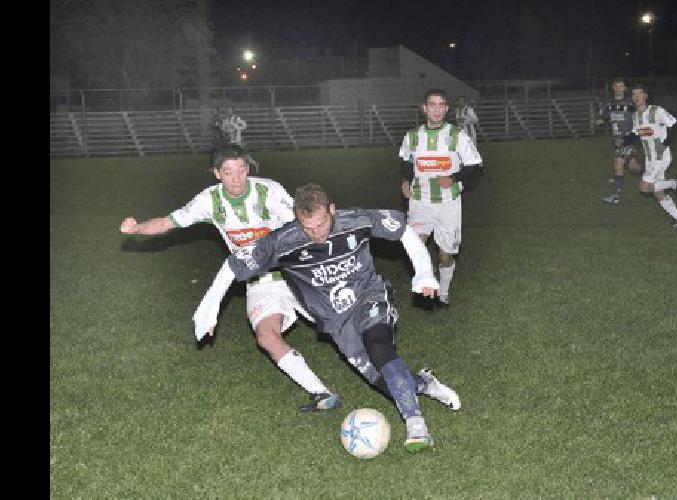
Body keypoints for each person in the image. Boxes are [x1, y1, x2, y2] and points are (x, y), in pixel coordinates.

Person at [197, 182, 463, 452]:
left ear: (332, 211)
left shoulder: (355, 220)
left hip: (368, 296)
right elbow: (233, 265)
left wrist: (424, 274)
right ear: (297, 219)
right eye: (307, 227)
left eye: (322, 223)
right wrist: (208, 309)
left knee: (379, 346)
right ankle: (425, 383)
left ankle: (416, 427)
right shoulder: (283, 241)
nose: (316, 233)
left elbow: (402, 230)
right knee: (381, 381)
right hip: (336, 322)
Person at [118, 144, 339, 412]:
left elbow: (303, 222)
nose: (236, 178)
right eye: (228, 172)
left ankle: (382, 365)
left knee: (338, 322)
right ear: (216, 173)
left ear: (248, 168)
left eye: (241, 170)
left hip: (293, 272)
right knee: (266, 337)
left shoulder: (268, 190)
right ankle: (321, 393)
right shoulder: (209, 200)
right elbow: (167, 223)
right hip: (258, 282)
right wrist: (137, 227)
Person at [399, 89, 484, 308]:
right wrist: (406, 181)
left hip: (448, 203)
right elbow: (407, 162)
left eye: (441, 105)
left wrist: (454, 178)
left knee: (446, 255)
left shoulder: (457, 136)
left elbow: (475, 166)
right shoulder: (413, 136)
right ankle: (426, 286)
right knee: (416, 247)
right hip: (420, 201)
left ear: (446, 109)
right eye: (432, 104)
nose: (436, 109)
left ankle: (444, 292)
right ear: (424, 108)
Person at [631, 84, 677, 227]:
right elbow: (634, 135)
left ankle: (674, 183)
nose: (636, 97)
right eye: (633, 95)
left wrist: (667, 142)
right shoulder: (635, 116)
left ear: (645, 96)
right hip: (650, 159)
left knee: (644, 188)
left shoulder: (656, 111)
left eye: (639, 94)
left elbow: (675, 124)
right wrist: (624, 145)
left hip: (661, 157)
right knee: (658, 192)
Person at [597, 79, 642, 205]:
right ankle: (652, 178)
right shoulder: (608, 104)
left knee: (618, 164)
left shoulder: (631, 103)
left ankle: (616, 196)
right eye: (616, 86)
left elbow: (640, 115)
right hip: (617, 140)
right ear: (613, 88)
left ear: (624, 88)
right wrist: (600, 120)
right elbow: (602, 115)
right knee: (633, 167)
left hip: (628, 138)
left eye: (621, 86)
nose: (618, 88)